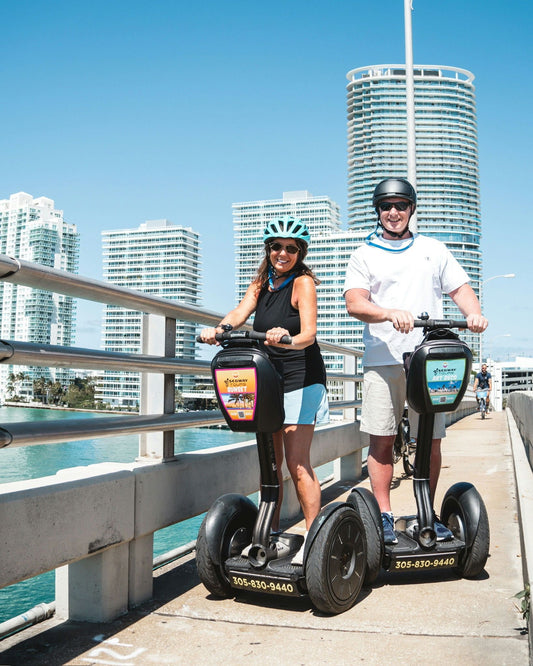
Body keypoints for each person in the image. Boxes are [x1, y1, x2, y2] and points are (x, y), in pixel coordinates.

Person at [343, 177, 488, 545]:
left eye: (401, 205)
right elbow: (355, 302)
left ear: (411, 209)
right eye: (386, 206)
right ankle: (385, 515)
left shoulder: (433, 249)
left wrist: (474, 314)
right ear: (378, 210)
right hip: (383, 357)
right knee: (382, 439)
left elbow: (460, 289)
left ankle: (428, 510)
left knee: (431, 439)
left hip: (430, 360)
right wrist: (388, 312)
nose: (394, 212)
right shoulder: (364, 253)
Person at [200, 215, 328, 564]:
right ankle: (268, 535)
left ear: (300, 252)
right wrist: (220, 329)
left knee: (297, 462)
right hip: (269, 378)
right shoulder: (261, 282)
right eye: (276, 247)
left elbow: (308, 335)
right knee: (270, 462)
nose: (282, 253)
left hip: (302, 376)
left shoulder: (303, 284)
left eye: (290, 248)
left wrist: (284, 339)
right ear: (268, 250)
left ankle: (315, 540)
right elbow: (241, 311)